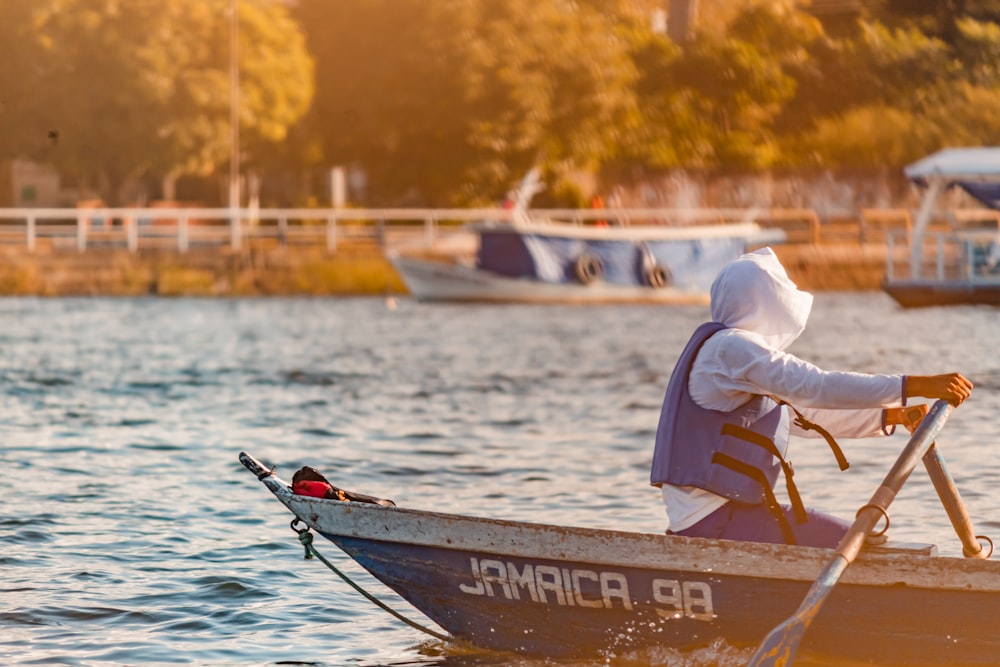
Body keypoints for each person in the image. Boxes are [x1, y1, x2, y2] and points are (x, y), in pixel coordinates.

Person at [650, 247, 973, 548]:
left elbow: (806, 416)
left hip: (715, 519)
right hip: (717, 522)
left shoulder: (728, 356)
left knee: (862, 538)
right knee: (864, 543)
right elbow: (815, 385)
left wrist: (890, 416)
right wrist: (914, 385)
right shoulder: (730, 348)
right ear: (764, 301)